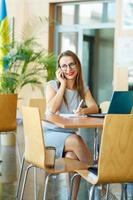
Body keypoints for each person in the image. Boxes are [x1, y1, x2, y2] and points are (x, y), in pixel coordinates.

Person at [44, 50, 99, 200]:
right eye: (64, 66)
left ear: (78, 65)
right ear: (59, 69)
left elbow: (94, 107)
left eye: (71, 64)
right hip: (50, 135)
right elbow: (52, 109)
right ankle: (100, 180)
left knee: (72, 156)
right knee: (76, 140)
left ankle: (72, 198)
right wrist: (62, 85)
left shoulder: (82, 88)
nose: (68, 69)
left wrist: (83, 110)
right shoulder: (52, 85)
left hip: (68, 136)